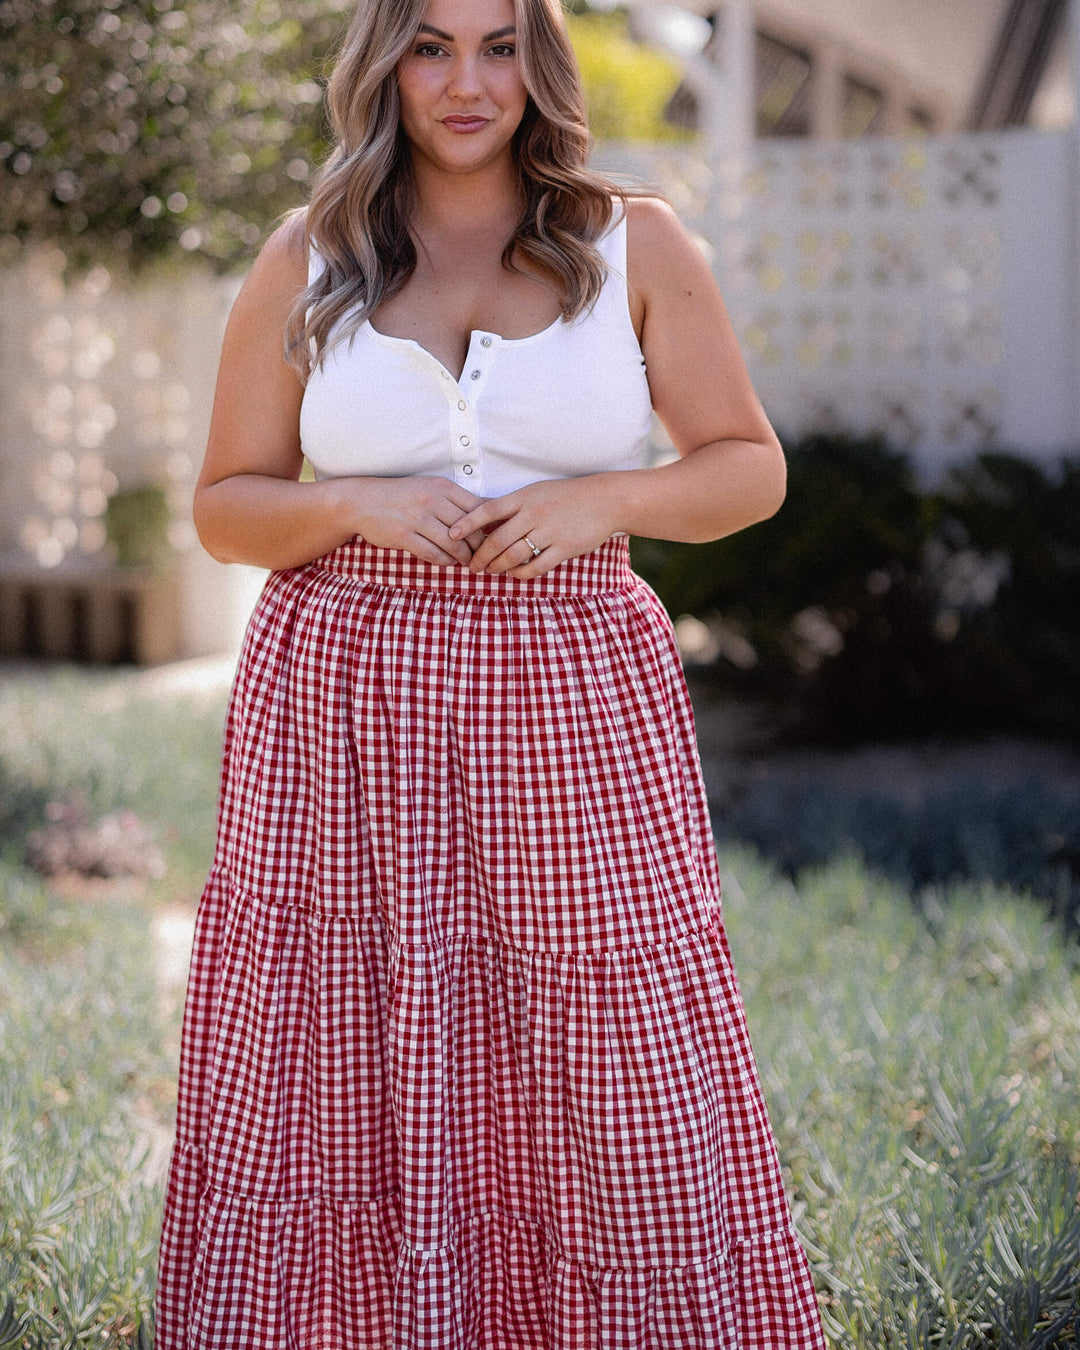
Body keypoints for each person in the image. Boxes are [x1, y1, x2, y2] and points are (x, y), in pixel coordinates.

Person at [155, 0, 827, 1342]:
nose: (469, 79)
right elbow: (227, 505)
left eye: (501, 43)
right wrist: (353, 507)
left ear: (541, 61)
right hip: (342, 703)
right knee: (346, 1026)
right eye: (430, 44)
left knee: (600, 1025)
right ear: (382, 62)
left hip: (571, 691)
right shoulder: (310, 253)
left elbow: (748, 468)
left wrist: (601, 502)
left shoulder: (631, 239)